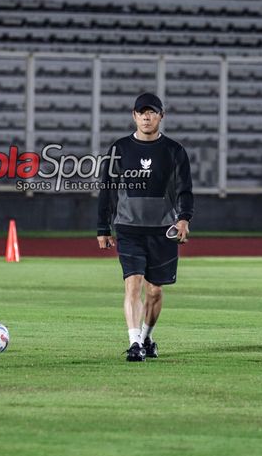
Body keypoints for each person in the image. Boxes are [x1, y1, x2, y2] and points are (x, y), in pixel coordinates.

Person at [97, 92, 194, 362]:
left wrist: (184, 218)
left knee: (155, 291)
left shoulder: (174, 151)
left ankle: (147, 336)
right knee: (133, 285)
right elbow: (107, 190)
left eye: (152, 112)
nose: (146, 117)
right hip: (128, 228)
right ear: (134, 116)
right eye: (141, 112)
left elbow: (185, 190)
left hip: (163, 229)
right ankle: (134, 343)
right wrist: (102, 228)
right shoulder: (119, 149)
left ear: (161, 116)